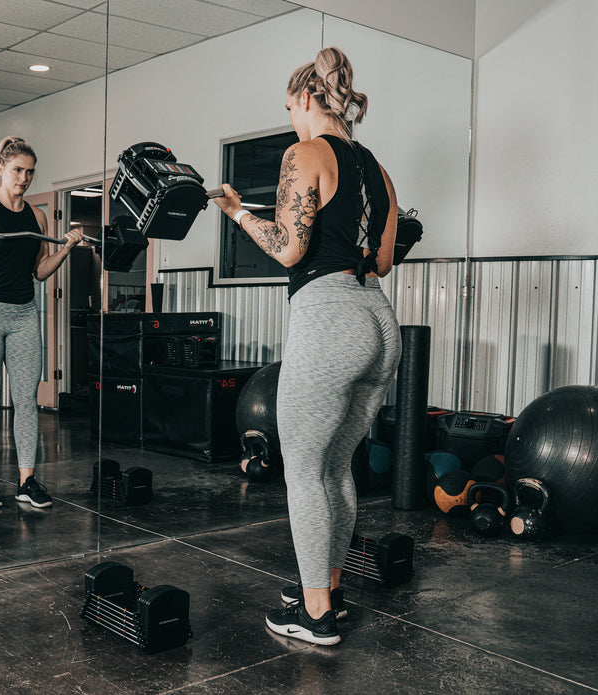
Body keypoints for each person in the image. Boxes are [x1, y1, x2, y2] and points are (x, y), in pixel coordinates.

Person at [212, 47, 402, 646]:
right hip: (379, 321)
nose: (290, 121)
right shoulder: (377, 168)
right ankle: (330, 588)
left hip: (328, 320)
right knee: (334, 464)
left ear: (306, 98)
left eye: (289, 107)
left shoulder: (305, 154)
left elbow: (292, 249)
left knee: (302, 471)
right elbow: (385, 260)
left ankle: (314, 614)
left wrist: (242, 216)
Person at [0, 136, 83, 509]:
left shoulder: (37, 216)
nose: (24, 178)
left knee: (27, 401)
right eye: (17, 170)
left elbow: (40, 272)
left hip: (24, 313)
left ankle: (27, 481)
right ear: (0, 169)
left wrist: (66, 248)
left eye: (29, 172)